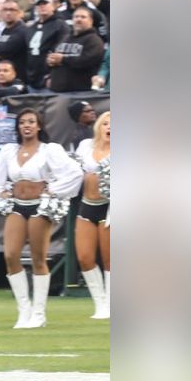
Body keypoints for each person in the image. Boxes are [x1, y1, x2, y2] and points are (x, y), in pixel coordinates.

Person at [0, 109, 82, 329]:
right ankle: (23, 310)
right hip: (17, 206)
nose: (26, 125)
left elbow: (74, 173)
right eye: (22, 122)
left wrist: (52, 190)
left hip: (40, 206)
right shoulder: (10, 151)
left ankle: (39, 313)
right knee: (10, 255)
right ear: (18, 127)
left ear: (39, 126)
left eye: (31, 122)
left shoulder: (49, 150)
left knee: (38, 258)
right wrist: (1, 192)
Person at [74, 112, 111, 320]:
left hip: (111, 208)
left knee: (110, 259)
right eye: (105, 123)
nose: (108, 127)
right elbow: (73, 171)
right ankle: (100, 303)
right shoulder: (86, 146)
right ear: (98, 126)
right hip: (87, 205)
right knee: (85, 257)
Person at [47, 7, 106, 92]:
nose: (78, 19)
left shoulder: (94, 40)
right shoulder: (65, 38)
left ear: (91, 21)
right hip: (58, 92)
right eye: (76, 17)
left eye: (83, 17)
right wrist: (50, 61)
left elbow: (86, 61)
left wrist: (63, 59)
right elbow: (54, 56)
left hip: (80, 91)